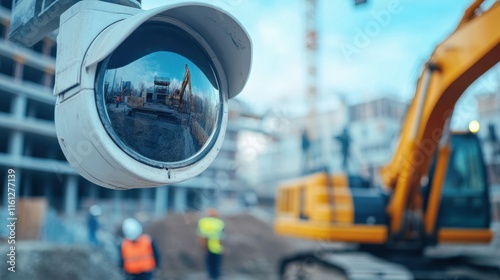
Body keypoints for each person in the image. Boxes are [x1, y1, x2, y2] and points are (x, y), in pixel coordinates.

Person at [197, 208, 225, 280]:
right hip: (217, 246)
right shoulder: (219, 222)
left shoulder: (203, 222)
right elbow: (222, 236)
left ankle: (211, 275)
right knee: (216, 263)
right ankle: (216, 275)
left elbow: (201, 235)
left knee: (209, 262)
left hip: (207, 246)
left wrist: (203, 246)